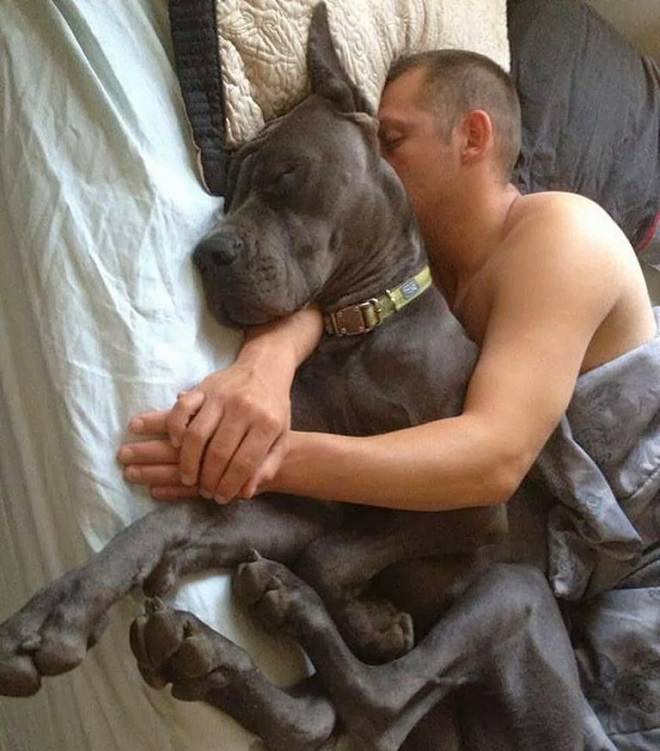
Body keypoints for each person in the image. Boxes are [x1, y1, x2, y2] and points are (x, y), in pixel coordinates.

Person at [117, 50, 656, 512]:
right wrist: (266, 367)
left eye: (391, 140)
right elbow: (329, 295)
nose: (367, 160)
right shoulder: (424, 270)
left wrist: (264, 456)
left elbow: (494, 459)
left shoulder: (564, 233)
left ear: (472, 136)